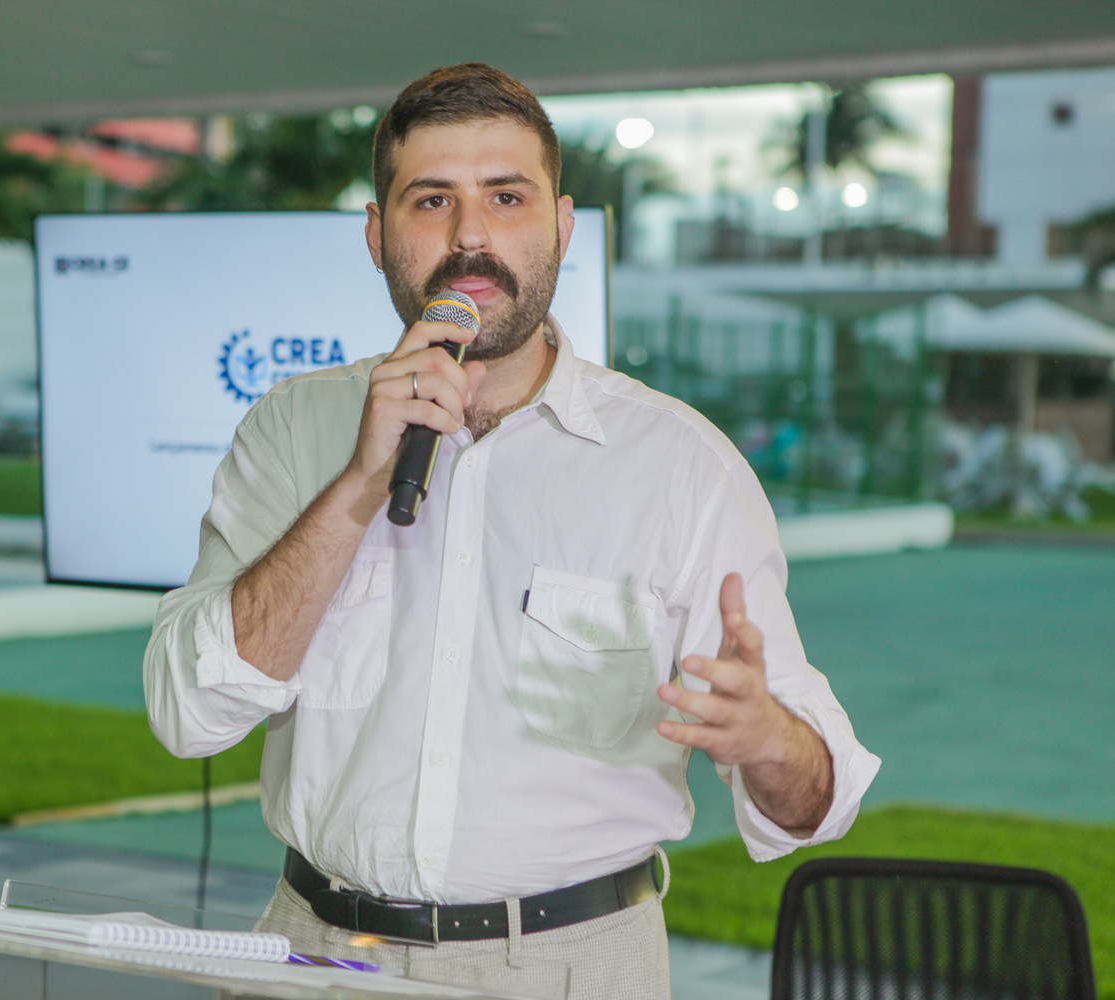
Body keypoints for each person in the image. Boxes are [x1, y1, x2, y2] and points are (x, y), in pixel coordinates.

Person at [145, 63, 880, 1000]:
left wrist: (764, 734)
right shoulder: (292, 430)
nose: (471, 235)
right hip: (317, 952)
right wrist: (359, 484)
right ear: (376, 235)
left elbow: (820, 801)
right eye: (431, 200)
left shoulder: (680, 465)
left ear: (562, 228)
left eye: (506, 197)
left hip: (571, 967)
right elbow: (188, 714)